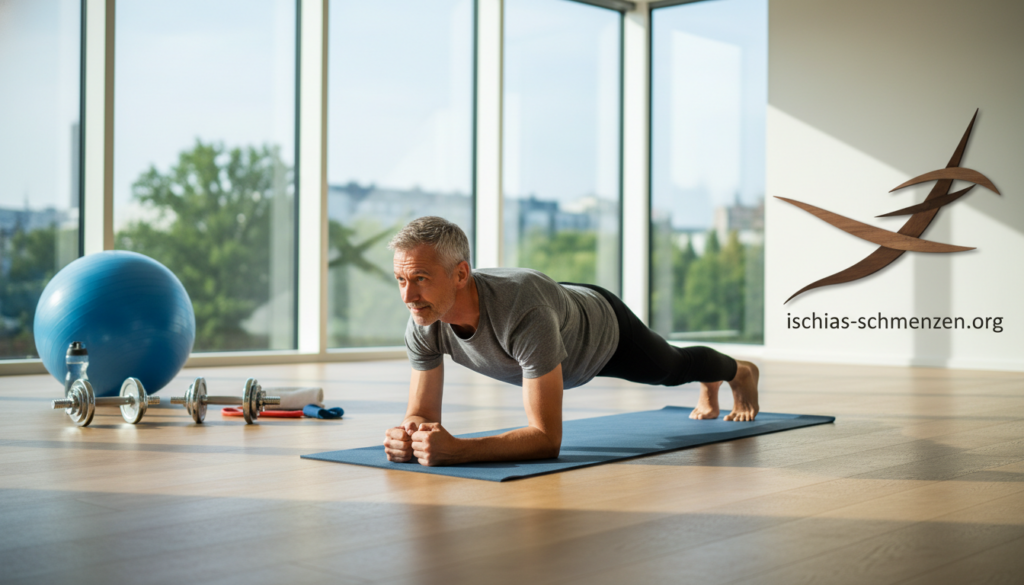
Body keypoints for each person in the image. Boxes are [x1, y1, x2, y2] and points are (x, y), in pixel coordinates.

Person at [383, 216, 760, 467]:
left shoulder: (522, 311)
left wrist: (460, 450)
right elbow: (423, 415)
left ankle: (737, 372)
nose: (408, 296)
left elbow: (547, 440)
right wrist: (410, 434)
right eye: (401, 280)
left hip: (604, 330)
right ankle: (712, 379)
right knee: (674, 368)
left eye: (420, 278)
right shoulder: (423, 322)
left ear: (461, 274)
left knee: (673, 368)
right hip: (559, 312)